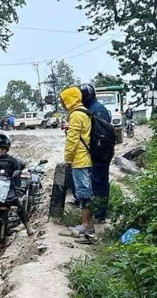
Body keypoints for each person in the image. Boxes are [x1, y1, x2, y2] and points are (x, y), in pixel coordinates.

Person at [0, 131, 33, 236]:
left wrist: (15, 183)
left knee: (19, 207)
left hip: (7, 193)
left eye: (0, 149)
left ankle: (29, 228)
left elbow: (17, 178)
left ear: (6, 149)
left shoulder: (12, 161)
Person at [60, 86, 94, 235]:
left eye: (63, 101)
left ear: (70, 99)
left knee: (83, 193)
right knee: (85, 191)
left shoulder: (76, 115)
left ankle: (86, 225)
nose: (62, 104)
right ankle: (87, 223)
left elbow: (72, 140)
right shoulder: (84, 112)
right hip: (86, 157)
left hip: (79, 160)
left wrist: (67, 158)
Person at [80, 83, 114, 222]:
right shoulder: (91, 108)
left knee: (99, 181)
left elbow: (101, 134)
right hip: (97, 152)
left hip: (101, 153)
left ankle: (100, 215)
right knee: (95, 182)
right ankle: (97, 212)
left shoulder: (97, 110)